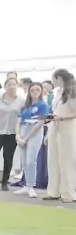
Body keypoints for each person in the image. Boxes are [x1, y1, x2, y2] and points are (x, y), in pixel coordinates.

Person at [45, 68, 76, 203]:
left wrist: (62, 117)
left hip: (67, 127)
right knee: (53, 160)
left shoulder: (71, 91)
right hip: (55, 126)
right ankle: (53, 191)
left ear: (59, 78)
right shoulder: (56, 93)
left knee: (66, 161)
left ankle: (68, 193)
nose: (52, 81)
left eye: (53, 79)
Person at [14, 82, 49, 198]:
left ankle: (30, 186)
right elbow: (19, 122)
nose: (34, 92)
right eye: (32, 90)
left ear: (41, 91)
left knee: (31, 160)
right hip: (23, 131)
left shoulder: (43, 105)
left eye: (37, 90)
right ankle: (26, 185)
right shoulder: (26, 106)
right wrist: (18, 135)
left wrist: (27, 137)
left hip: (35, 132)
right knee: (24, 161)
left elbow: (40, 124)